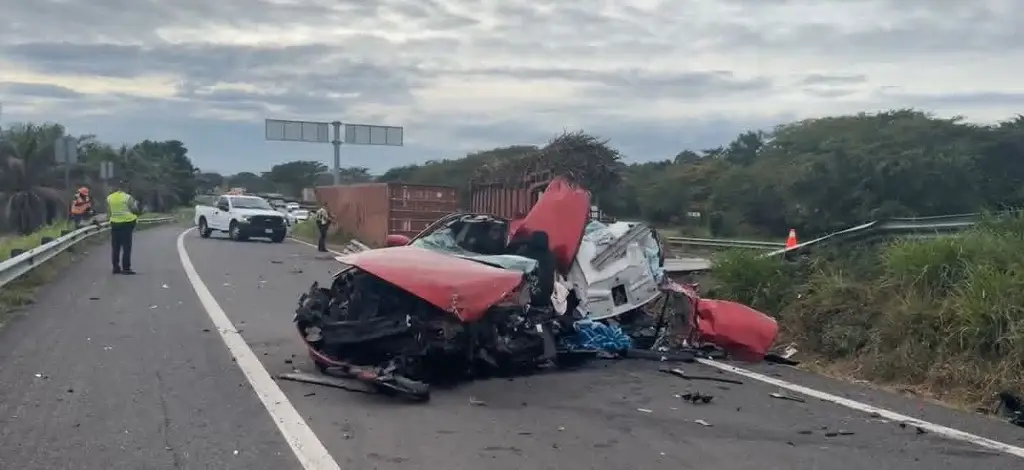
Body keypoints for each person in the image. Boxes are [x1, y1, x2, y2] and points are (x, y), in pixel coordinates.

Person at [106, 180, 141, 275]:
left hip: (114, 224)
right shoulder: (127, 197)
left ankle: (115, 267)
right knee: (126, 247)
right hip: (126, 224)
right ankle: (126, 268)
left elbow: (109, 212)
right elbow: (135, 210)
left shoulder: (110, 198)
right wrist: (136, 204)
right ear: (125, 188)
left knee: (115, 247)